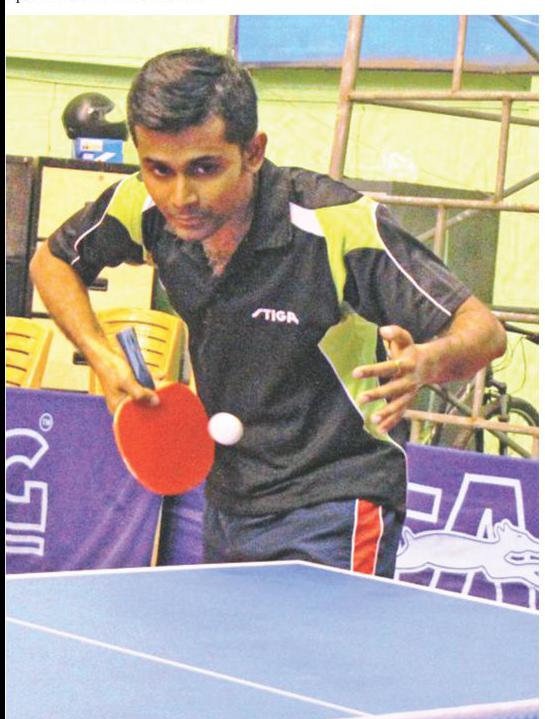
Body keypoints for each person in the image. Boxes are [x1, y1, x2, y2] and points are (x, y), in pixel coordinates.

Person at [30, 47, 506, 576]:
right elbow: (52, 262)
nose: (179, 195)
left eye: (205, 168)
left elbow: (483, 331)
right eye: (158, 169)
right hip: (230, 498)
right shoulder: (142, 204)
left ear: (253, 152)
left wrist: (428, 362)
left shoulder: (334, 224)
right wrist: (101, 356)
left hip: (335, 499)